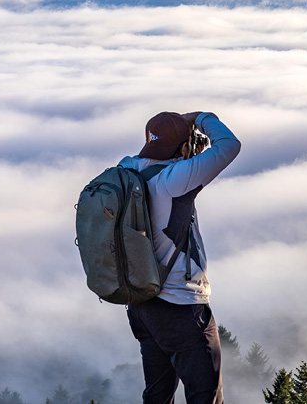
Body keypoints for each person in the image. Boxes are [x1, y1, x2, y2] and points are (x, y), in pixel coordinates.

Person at [118, 111, 241, 404]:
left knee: (158, 395)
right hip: (182, 306)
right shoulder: (175, 179)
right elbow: (229, 146)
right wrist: (202, 118)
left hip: (142, 303)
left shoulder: (127, 170)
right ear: (184, 147)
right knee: (205, 396)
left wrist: (181, 145)